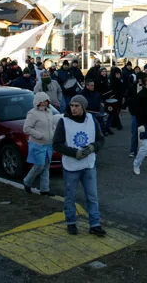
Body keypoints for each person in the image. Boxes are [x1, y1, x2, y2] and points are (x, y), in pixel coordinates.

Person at [52, 95, 106, 236]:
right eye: (72, 105)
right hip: (71, 166)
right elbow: (56, 144)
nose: (73, 108)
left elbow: (101, 139)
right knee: (70, 197)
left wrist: (93, 147)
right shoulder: (64, 121)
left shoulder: (91, 120)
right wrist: (74, 153)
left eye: (77, 106)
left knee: (92, 196)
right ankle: (71, 222)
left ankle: (95, 224)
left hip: (88, 164)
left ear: (83, 107)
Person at [23, 92, 56, 196]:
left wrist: (54, 134)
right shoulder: (32, 113)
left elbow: (52, 125)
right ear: (38, 102)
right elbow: (26, 128)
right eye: (43, 101)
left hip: (49, 144)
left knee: (46, 166)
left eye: (46, 101)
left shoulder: (50, 111)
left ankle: (45, 189)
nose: (45, 103)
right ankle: (27, 181)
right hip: (38, 144)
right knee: (39, 166)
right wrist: (39, 135)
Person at [126, 72, 144, 157]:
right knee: (134, 133)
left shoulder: (145, 88)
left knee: (144, 133)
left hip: (144, 114)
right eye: (139, 79)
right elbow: (128, 98)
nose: (140, 80)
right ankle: (133, 150)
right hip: (135, 113)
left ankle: (143, 150)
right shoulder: (132, 88)